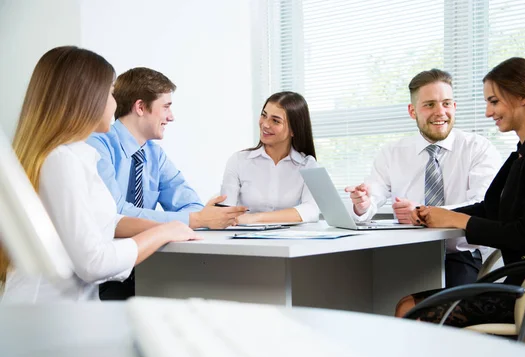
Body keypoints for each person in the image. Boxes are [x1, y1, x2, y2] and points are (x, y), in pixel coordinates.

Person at [0, 46, 201, 303]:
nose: (116, 104)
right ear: (86, 98)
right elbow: (93, 263)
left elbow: (106, 220)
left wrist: (175, 225)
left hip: (66, 312)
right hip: (44, 315)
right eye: (110, 93)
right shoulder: (61, 160)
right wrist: (163, 233)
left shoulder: (77, 155)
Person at [396, 57, 525, 324]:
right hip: (524, 283)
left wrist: (456, 219)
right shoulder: (523, 151)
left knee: (411, 310)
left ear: (522, 97)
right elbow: (489, 209)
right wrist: (435, 214)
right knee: (406, 305)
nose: (488, 112)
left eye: (494, 101)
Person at [87, 67, 246, 300]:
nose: (171, 117)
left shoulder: (154, 154)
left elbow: (191, 205)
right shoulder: (97, 145)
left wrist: (196, 217)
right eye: (166, 107)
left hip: (147, 269)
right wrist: (195, 220)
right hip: (103, 275)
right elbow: (116, 215)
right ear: (141, 107)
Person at [345, 69, 502, 287]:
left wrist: (423, 214)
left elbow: (482, 205)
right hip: (406, 253)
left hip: (460, 255)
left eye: (446, 103)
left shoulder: (478, 148)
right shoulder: (392, 152)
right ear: (412, 111)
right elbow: (372, 197)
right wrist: (361, 204)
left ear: (454, 106)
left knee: (436, 310)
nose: (440, 112)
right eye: (429, 105)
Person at [220, 91, 320, 223]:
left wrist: (257, 217)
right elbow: (226, 210)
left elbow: (311, 210)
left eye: (275, 121)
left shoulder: (308, 165)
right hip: (244, 239)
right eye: (264, 115)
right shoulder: (239, 160)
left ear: (293, 130)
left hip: (291, 240)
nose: (265, 124)